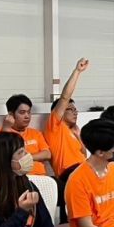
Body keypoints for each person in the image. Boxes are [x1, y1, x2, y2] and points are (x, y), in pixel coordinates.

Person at [46, 58, 89, 215]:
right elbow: (65, 97)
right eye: (70, 109)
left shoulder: (74, 131)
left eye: (75, 109)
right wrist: (77, 71)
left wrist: (78, 136)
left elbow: (84, 155)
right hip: (69, 174)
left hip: (83, 169)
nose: (75, 112)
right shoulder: (55, 126)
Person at [0, 94, 52, 176]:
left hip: (40, 176)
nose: (27, 116)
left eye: (29, 112)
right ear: (11, 114)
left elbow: (47, 154)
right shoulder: (0, 132)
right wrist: (6, 128)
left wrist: (26, 158)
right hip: (17, 177)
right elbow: (3, 156)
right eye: (22, 112)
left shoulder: (36, 133)